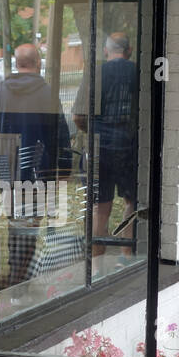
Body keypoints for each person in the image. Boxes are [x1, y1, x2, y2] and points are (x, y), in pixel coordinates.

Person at [0, 43, 72, 284]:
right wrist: (65, 168)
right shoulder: (47, 94)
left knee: (14, 221)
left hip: (9, 170)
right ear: (38, 63)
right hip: (39, 171)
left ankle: (15, 271)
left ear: (17, 64)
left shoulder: (1, 91)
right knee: (31, 223)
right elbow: (60, 133)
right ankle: (21, 276)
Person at [73, 32, 139, 259]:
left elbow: (78, 116)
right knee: (132, 201)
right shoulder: (137, 73)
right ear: (129, 51)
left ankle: (96, 262)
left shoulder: (96, 73)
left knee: (99, 207)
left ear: (105, 51)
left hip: (100, 148)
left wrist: (96, 131)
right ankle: (127, 254)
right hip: (130, 148)